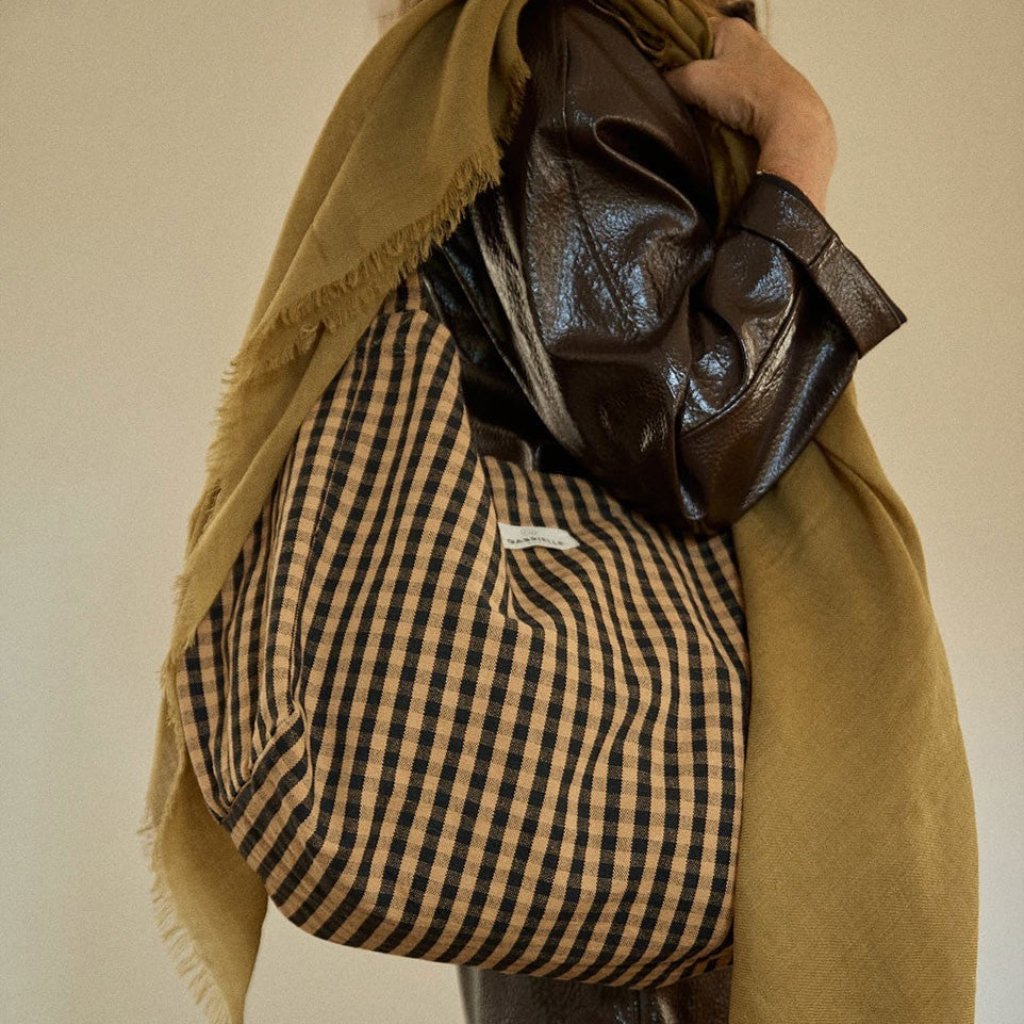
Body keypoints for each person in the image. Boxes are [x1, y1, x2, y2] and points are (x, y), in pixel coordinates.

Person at [374, 0, 904, 1021]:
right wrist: (800, 138)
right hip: (634, 776)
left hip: (595, 781)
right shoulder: (568, 47)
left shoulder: (577, 50)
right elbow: (690, 437)